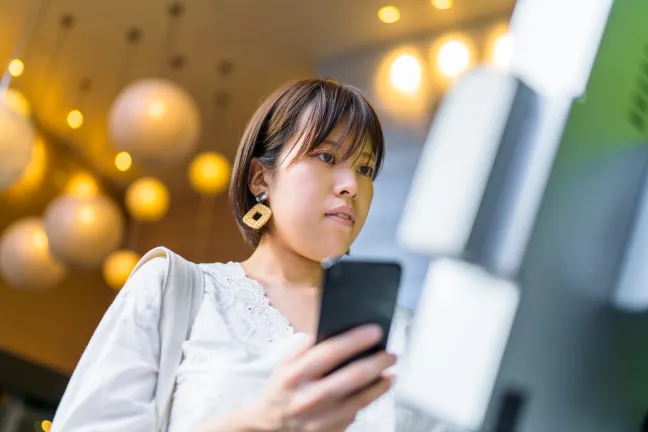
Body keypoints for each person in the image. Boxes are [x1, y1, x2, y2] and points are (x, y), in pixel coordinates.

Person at [51, 79, 439, 431]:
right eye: (326, 157)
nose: (351, 185)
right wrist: (263, 422)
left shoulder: (408, 335)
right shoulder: (177, 289)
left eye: (366, 167)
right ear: (260, 179)